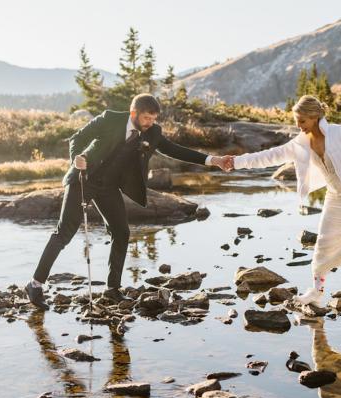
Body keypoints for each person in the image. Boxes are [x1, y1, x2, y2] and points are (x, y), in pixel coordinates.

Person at [24, 93, 232, 309]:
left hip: (109, 187)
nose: (150, 124)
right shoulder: (109, 119)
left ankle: (113, 289)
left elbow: (174, 150)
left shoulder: (153, 132)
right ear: (134, 113)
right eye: (146, 119)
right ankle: (35, 284)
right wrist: (77, 158)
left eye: (153, 119)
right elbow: (77, 138)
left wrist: (213, 160)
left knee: (121, 232)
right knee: (65, 232)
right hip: (84, 179)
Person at [227, 95, 341, 308]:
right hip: (334, 197)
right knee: (322, 245)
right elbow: (269, 156)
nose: (298, 126)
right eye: (296, 120)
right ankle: (316, 292)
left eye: (302, 121)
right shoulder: (300, 143)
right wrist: (236, 162)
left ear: (315, 117)